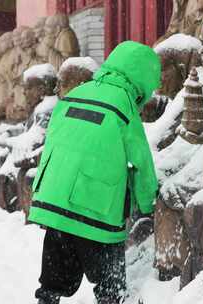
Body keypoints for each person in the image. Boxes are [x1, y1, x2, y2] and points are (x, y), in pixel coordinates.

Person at [28, 41, 161, 304]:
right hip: (95, 205)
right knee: (109, 284)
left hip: (55, 199)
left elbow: (55, 140)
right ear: (144, 79)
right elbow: (141, 161)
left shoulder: (78, 92)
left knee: (54, 278)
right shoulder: (124, 105)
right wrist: (148, 204)